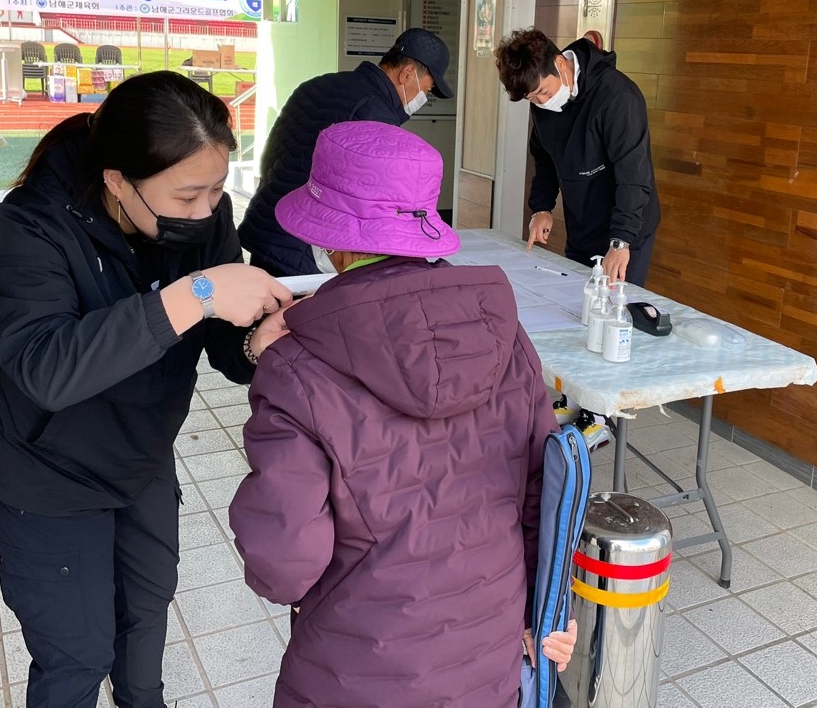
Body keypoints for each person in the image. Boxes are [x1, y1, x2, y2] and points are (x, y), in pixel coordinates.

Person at [0, 71, 292, 708]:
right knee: (77, 653)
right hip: (43, 469)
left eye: (217, 191)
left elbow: (221, 341)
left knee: (146, 607)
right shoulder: (33, 225)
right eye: (187, 195)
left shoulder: (203, 220)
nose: (206, 211)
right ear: (117, 180)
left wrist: (260, 343)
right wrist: (197, 292)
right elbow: (45, 368)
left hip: (140, 453)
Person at [229, 121, 576, 708]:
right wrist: (541, 612)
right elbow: (545, 494)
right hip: (488, 659)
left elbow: (283, 564)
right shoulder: (506, 337)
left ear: (334, 245)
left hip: (355, 671)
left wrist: (264, 358)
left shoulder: (294, 367)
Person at [237, 27, 453, 276]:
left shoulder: (314, 86)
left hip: (268, 226)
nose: (423, 98)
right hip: (309, 249)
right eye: (426, 90)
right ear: (407, 74)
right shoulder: (375, 116)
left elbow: (272, 155)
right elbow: (371, 206)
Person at [494, 28, 660, 286]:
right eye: (532, 98)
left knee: (613, 303)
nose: (542, 102)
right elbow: (544, 156)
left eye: (544, 92)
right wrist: (541, 207)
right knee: (575, 297)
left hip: (627, 229)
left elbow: (633, 177)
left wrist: (620, 241)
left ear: (560, 64)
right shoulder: (543, 102)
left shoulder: (617, 97)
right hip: (582, 225)